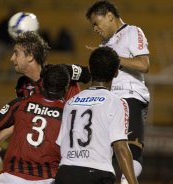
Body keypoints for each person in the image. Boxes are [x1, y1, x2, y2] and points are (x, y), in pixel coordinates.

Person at [0, 31, 91, 153]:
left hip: (76, 144)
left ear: (30, 56)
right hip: (50, 148)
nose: (11, 58)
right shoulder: (23, 86)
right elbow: (23, 119)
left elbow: (91, 75)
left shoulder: (63, 72)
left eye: (16, 53)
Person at [86, 1, 150, 182]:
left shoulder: (132, 32)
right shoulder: (102, 45)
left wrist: (111, 58)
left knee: (131, 150)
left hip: (128, 96)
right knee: (107, 154)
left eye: (96, 23)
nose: (95, 29)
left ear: (109, 15)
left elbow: (144, 65)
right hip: (106, 100)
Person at [55, 47, 138, 184]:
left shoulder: (70, 102)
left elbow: (60, 145)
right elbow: (121, 148)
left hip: (65, 173)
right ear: (116, 72)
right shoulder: (115, 102)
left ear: (90, 70)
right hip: (97, 173)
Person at [0, 65, 70, 183]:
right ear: (66, 87)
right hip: (46, 179)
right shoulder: (69, 111)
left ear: (43, 83)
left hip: (11, 178)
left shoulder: (21, 103)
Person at [0, 7, 16, 74]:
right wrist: (5, 42)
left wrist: (13, 43)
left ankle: (13, 70)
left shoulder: (20, 24)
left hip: (13, 45)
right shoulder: (3, 22)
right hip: (3, 44)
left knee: (20, 51)